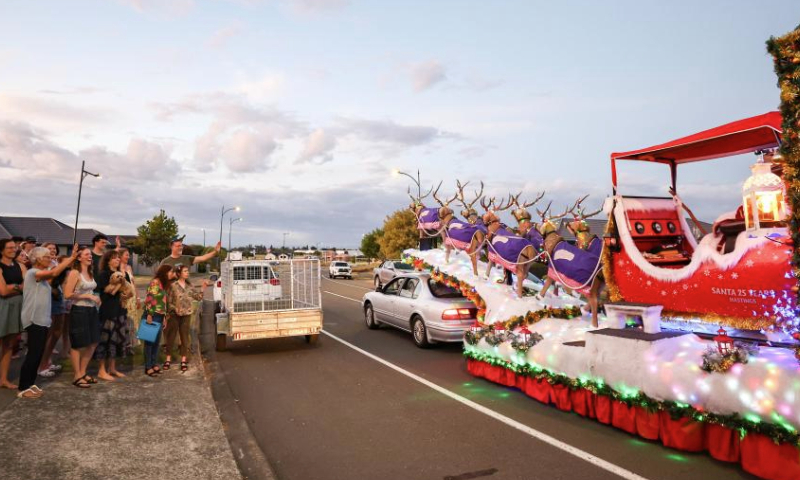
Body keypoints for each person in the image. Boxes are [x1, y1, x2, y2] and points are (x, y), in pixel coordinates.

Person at [18, 246, 76, 398]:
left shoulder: (42, 276)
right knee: (33, 353)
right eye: (46, 257)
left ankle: (31, 384)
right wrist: (69, 259)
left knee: (38, 353)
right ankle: (23, 387)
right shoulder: (33, 273)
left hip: (42, 319)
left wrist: (67, 262)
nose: (50, 259)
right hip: (33, 318)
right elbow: (54, 272)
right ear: (37, 259)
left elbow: (56, 275)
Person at [63, 246, 102, 389]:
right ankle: (77, 375)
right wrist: (87, 296)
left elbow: (91, 289)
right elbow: (67, 294)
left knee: (94, 341)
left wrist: (95, 299)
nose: (90, 256)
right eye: (86, 254)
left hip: (92, 310)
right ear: (79, 258)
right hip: (79, 310)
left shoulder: (90, 272)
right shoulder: (75, 273)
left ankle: (83, 372)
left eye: (90, 254)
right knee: (79, 344)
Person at [165, 265, 208, 372]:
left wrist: (202, 288)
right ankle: (168, 359)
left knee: (185, 338)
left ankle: (183, 360)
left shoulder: (190, 286)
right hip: (174, 315)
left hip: (186, 315)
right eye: (185, 271)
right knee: (171, 337)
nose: (187, 273)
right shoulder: (173, 286)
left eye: (187, 271)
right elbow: (168, 302)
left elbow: (198, 298)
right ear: (179, 273)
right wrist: (175, 309)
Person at [94, 250, 128, 381]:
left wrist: (122, 282)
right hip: (107, 311)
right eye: (115, 258)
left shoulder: (120, 274)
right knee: (104, 340)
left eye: (119, 258)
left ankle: (112, 368)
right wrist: (120, 282)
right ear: (108, 260)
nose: (118, 260)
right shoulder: (104, 274)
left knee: (116, 340)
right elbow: (109, 291)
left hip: (120, 310)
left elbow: (126, 290)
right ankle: (101, 370)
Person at [37, 244, 68, 378]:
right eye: (49, 248)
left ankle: (48, 361)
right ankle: (41, 365)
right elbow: (47, 281)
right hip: (48, 299)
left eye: (54, 248)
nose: (53, 250)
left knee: (57, 332)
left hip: (59, 298)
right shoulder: (43, 265)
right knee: (48, 334)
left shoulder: (56, 263)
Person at [0, 238, 26, 389]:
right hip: (2, 307)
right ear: (2, 250)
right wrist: (18, 286)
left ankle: (3, 379)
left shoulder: (20, 265)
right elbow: (2, 291)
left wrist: (12, 287)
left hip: (16, 307)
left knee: (9, 345)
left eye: (14, 247)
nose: (13, 249)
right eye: (9, 247)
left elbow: (28, 286)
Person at [143, 264, 175, 377]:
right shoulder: (155, 282)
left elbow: (163, 302)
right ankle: (148, 367)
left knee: (156, 342)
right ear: (165, 272)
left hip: (160, 316)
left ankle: (154, 364)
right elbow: (149, 299)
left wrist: (165, 317)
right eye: (171, 272)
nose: (173, 274)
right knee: (149, 343)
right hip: (152, 315)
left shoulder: (163, 284)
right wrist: (149, 315)